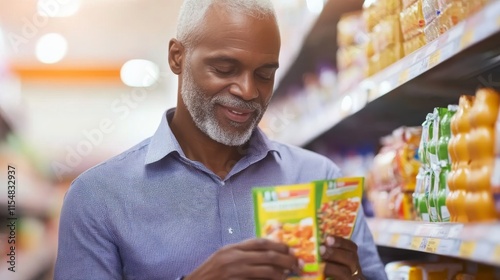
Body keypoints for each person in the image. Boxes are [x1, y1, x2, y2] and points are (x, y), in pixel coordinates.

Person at [54, 0, 387, 279]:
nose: (248, 90)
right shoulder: (98, 198)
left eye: (265, 74)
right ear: (177, 57)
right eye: (225, 68)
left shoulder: (318, 177)